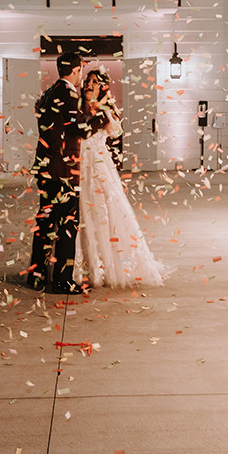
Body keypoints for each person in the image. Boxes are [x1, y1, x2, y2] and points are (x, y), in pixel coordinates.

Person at [74, 69, 173, 289]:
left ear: (102, 88)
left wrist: (104, 112)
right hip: (79, 165)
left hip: (98, 167)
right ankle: (83, 264)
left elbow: (115, 132)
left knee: (104, 211)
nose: (89, 85)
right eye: (88, 81)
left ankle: (107, 266)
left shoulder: (105, 110)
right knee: (81, 213)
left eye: (95, 82)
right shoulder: (77, 106)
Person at [29, 52, 84, 293]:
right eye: (81, 70)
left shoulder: (49, 92)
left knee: (45, 222)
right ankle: (63, 280)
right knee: (68, 224)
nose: (81, 76)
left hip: (45, 167)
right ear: (75, 70)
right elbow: (80, 128)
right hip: (62, 171)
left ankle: (36, 275)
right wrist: (99, 118)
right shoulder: (69, 94)